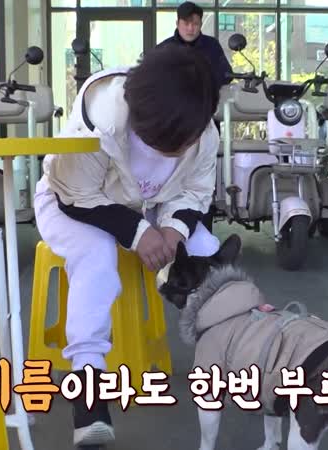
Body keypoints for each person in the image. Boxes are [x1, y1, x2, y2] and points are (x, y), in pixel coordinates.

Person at [33, 45, 221, 447]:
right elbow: (75, 194)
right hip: (68, 202)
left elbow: (195, 191)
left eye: (189, 139)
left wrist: (173, 231)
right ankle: (88, 387)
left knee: (206, 247)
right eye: (171, 142)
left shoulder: (203, 132)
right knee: (97, 254)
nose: (183, 147)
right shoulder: (101, 118)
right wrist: (138, 233)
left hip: (145, 209)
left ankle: (226, 345)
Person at [157, 1, 233, 90]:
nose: (190, 28)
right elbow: (154, 80)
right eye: (186, 23)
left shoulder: (212, 45)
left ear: (201, 24)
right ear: (177, 24)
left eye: (195, 24)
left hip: (206, 96)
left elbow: (227, 74)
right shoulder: (163, 49)